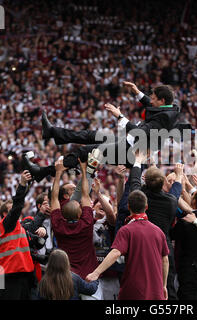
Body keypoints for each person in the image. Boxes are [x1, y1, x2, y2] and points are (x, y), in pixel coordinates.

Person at [24, 82, 181, 181]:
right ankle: (52, 132)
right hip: (129, 143)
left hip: (132, 152)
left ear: (162, 101)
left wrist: (119, 116)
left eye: (154, 98)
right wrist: (137, 92)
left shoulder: (164, 118)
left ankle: (42, 172)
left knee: (84, 152)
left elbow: (138, 133)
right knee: (91, 135)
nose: (150, 100)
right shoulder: (170, 108)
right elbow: (151, 105)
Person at [85, 190, 169, 300]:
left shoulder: (126, 230)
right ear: (146, 207)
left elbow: (115, 253)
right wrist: (163, 285)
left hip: (134, 290)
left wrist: (96, 273)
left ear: (128, 207)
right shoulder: (158, 231)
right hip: (156, 290)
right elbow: (165, 260)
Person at [128, 151, 182, 299]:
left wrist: (138, 161)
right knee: (168, 289)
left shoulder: (140, 196)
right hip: (164, 248)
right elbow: (177, 190)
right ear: (163, 182)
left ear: (145, 182)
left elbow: (134, 181)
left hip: (142, 248)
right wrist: (179, 174)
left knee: (142, 287)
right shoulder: (171, 201)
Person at [49, 157, 99, 291]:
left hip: (66, 280)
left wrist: (58, 173)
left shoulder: (58, 225)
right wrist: (83, 170)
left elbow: (53, 198)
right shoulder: (87, 223)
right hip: (89, 278)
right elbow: (85, 195)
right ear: (79, 214)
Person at [0, 170, 35, 300]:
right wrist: (22, 185)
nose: (16, 211)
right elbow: (18, 205)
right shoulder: (6, 224)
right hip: (10, 276)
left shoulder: (20, 227)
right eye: (11, 209)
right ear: (4, 214)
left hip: (24, 274)